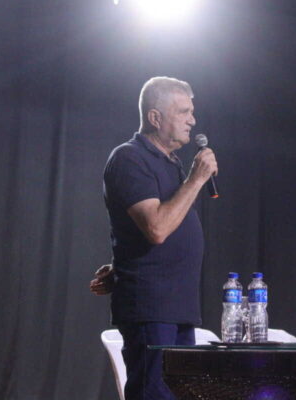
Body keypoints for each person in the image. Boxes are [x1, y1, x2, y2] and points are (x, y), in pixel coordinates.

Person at [90, 76, 218, 400]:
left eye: (192, 112)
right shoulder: (129, 158)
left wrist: (120, 266)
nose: (192, 120)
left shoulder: (171, 163)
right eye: (183, 112)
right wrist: (196, 179)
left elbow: (152, 233)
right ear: (155, 117)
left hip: (178, 307)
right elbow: (157, 228)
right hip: (151, 308)